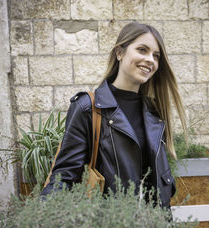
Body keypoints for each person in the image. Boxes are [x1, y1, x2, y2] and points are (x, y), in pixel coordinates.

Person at [41, 22, 187, 208]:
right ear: (119, 52)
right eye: (142, 50)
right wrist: (39, 219)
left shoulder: (154, 113)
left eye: (156, 56)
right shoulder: (88, 108)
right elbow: (64, 176)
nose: (150, 59)